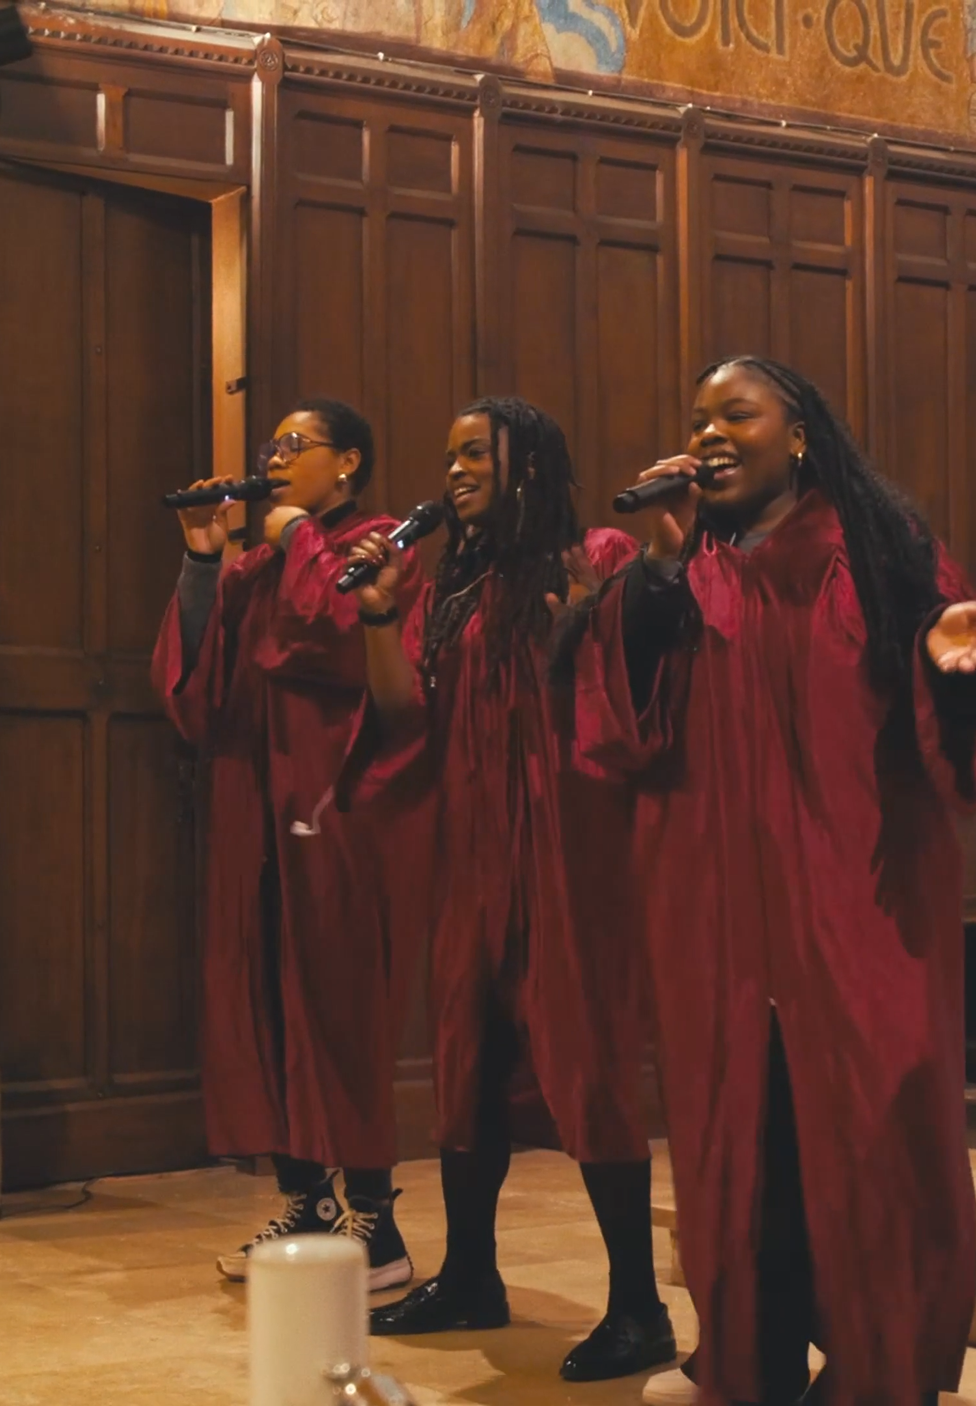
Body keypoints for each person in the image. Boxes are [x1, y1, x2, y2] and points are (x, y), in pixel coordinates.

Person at [569, 357, 976, 1406]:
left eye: (738, 413)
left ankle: (879, 1367)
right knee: (745, 1156)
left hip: (861, 912)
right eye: (697, 419)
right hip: (720, 922)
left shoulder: (881, 554)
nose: (710, 434)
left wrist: (959, 678)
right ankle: (747, 1358)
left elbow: (966, 731)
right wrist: (656, 572)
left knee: (873, 1150)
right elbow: (616, 732)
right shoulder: (688, 575)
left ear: (802, 434)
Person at [337, 398, 673, 1381]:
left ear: (528, 463)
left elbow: (634, 684)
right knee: (466, 1057)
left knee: (589, 1054)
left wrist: (584, 620)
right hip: (476, 850)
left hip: (573, 846)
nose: (453, 469)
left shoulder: (595, 554)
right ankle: (473, 1270)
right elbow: (406, 717)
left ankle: (639, 1305)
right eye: (447, 455)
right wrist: (375, 620)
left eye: (473, 451)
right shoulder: (451, 588)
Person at [154, 399, 421, 1294]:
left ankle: (376, 1225)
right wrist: (202, 556)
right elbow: (199, 685)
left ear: (347, 462)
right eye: (271, 446)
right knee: (261, 990)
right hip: (251, 798)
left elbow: (337, 629)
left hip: (332, 793)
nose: (274, 458)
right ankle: (305, 1204)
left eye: (295, 446)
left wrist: (299, 529)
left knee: (336, 998)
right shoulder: (259, 563)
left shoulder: (381, 540)